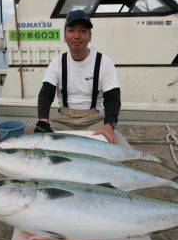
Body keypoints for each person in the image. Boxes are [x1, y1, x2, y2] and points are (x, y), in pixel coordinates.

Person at [34, 10, 128, 146]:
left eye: (83, 31)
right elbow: (45, 94)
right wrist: (43, 121)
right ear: (65, 36)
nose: (76, 36)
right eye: (71, 30)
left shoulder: (104, 62)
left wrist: (109, 125)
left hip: (94, 120)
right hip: (63, 120)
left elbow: (113, 98)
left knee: (121, 148)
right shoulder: (57, 62)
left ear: (90, 36)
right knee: (39, 145)